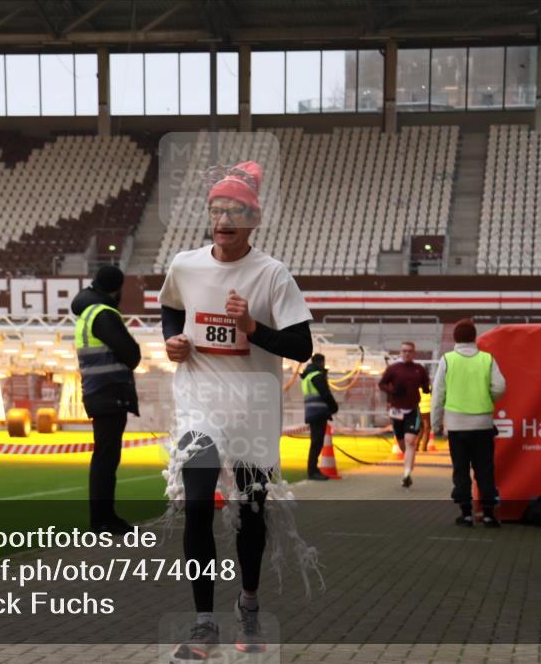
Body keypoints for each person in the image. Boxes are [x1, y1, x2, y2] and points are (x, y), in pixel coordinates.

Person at [159, 161, 314, 659]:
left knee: (251, 515)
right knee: (199, 505)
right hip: (200, 405)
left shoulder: (271, 274)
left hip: (253, 409)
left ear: (253, 220)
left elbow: (302, 345)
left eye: (235, 211)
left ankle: (248, 603)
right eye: (216, 209)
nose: (224, 219)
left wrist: (251, 327)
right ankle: (204, 625)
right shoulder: (185, 264)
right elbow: (170, 307)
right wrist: (173, 341)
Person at [71, 265, 141, 535]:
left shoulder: (88, 313)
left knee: (105, 457)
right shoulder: (104, 314)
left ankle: (103, 518)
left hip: (99, 391)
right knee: (106, 458)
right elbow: (131, 354)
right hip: (109, 392)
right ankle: (103, 520)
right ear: (117, 288)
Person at [431, 318, 507, 528]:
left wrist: (436, 424)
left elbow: (438, 395)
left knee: (461, 470)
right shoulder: (487, 359)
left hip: (457, 426)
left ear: (455, 338)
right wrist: (487, 397)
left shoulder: (447, 360)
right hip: (483, 425)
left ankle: (466, 514)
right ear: (474, 337)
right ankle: (490, 514)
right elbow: (500, 386)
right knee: (485, 470)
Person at [378, 341, 431, 488]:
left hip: (412, 410)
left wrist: (426, 389)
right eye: (404, 351)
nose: (407, 353)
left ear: (414, 353)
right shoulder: (393, 369)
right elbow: (381, 384)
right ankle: (408, 463)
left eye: (410, 351)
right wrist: (392, 390)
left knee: (410, 441)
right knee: (402, 443)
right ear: (401, 352)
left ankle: (407, 474)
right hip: (397, 411)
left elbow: (425, 384)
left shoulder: (419, 369)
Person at [301, 353, 340, 480]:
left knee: (315, 442)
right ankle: (312, 472)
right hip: (319, 412)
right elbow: (326, 394)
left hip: (311, 412)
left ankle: (313, 470)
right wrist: (334, 408)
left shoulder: (307, 376)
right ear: (322, 362)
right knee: (317, 443)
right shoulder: (317, 376)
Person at [417, 386, 432, 453]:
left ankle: (416, 446)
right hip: (427, 409)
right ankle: (424, 447)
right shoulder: (429, 387)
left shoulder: (417, 388)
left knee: (421, 429)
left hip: (420, 410)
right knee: (427, 429)